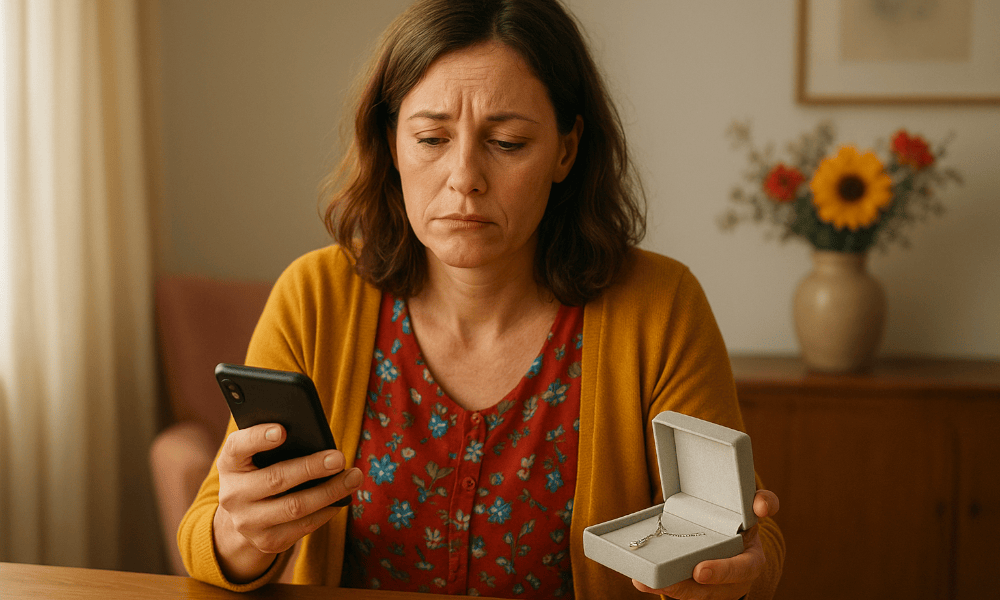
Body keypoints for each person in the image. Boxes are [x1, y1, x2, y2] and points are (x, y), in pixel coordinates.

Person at [178, 0, 785, 598]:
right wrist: (241, 531)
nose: (464, 176)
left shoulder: (659, 307)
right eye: (432, 138)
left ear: (565, 151)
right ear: (392, 144)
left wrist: (729, 574)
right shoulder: (315, 297)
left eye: (509, 143)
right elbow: (208, 540)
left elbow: (749, 545)